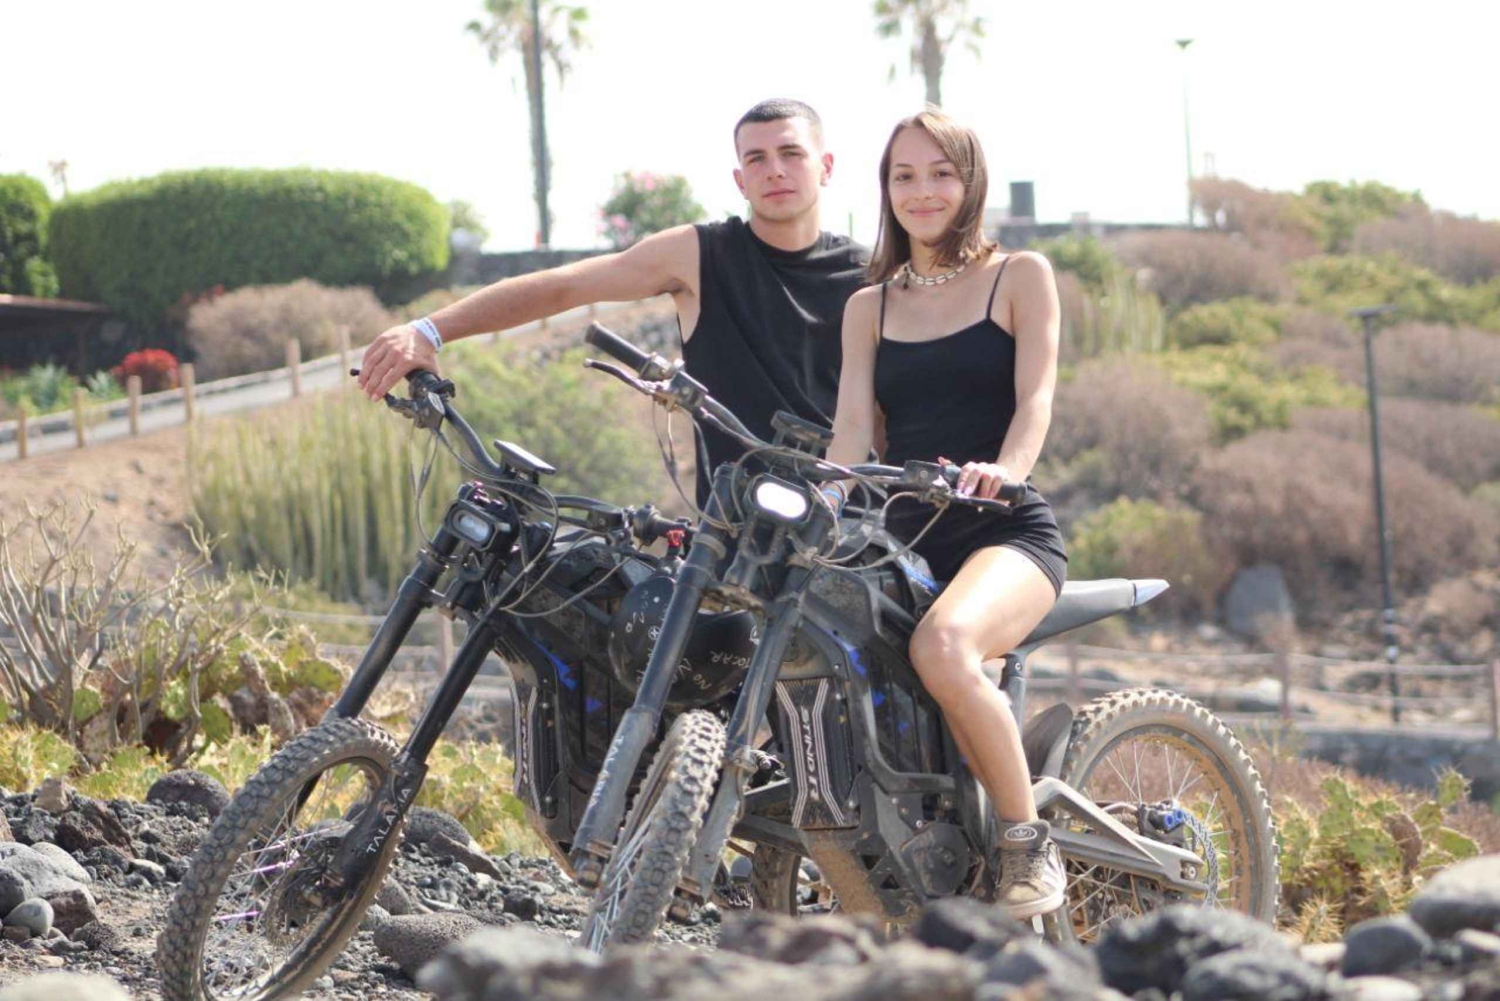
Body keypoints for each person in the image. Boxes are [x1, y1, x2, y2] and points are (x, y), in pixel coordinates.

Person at [357, 99, 868, 505]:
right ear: (740, 180)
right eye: (756, 159)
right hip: (731, 532)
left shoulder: (869, 274)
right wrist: (430, 329)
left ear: (824, 166)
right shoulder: (700, 254)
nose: (774, 170)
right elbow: (567, 285)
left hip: (843, 525)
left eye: (791, 154)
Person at [822, 109, 1068, 920]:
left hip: (1003, 529)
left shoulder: (1018, 275)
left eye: (939, 173)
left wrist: (1005, 470)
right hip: (907, 536)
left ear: (970, 181)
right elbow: (852, 437)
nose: (922, 191)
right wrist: (819, 500)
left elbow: (1035, 400)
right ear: (884, 190)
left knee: (946, 643)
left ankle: (1028, 842)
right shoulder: (871, 307)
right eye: (903, 176)